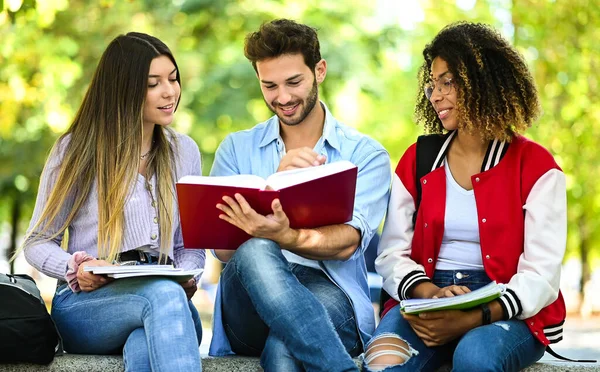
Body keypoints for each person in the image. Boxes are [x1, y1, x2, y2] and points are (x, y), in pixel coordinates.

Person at [363, 22, 567, 372]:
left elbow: (541, 276)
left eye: (448, 82)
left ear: (483, 80)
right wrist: (430, 294)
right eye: (432, 85)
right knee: (382, 362)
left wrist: (473, 315)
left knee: (475, 358)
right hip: (425, 298)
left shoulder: (536, 165)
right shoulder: (418, 159)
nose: (437, 95)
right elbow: (391, 253)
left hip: (504, 305)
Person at [208, 19, 391, 371]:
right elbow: (222, 249)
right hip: (247, 304)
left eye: (294, 82)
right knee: (256, 248)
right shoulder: (235, 149)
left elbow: (348, 242)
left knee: (284, 348)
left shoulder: (365, 154)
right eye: (269, 86)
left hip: (330, 291)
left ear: (319, 71)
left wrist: (286, 235)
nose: (284, 97)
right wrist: (272, 185)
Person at [20, 32, 205, 372]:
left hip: (165, 301)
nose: (170, 92)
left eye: (173, 79)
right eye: (153, 83)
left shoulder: (185, 152)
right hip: (87, 305)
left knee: (145, 341)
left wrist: (189, 273)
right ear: (124, 88)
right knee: (163, 299)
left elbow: (189, 244)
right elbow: (36, 242)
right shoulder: (76, 150)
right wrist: (74, 268)